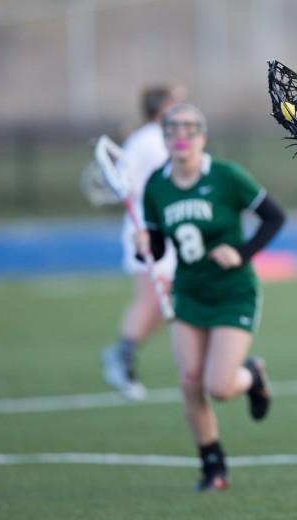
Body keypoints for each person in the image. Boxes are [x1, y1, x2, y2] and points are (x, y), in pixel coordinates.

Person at [140, 103, 286, 490]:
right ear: (165, 137)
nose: (181, 137)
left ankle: (251, 376)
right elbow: (155, 249)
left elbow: (275, 217)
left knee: (218, 387)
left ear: (202, 137)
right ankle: (213, 466)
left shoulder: (226, 176)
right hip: (189, 293)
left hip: (233, 292)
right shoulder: (156, 185)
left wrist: (242, 252)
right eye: (172, 129)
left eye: (189, 129)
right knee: (190, 380)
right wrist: (144, 247)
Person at [101, 85, 183, 400]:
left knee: (168, 302)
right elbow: (131, 185)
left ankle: (121, 351)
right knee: (151, 297)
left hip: (164, 231)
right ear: (162, 107)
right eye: (176, 101)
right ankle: (121, 358)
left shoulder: (152, 139)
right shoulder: (148, 140)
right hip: (146, 232)